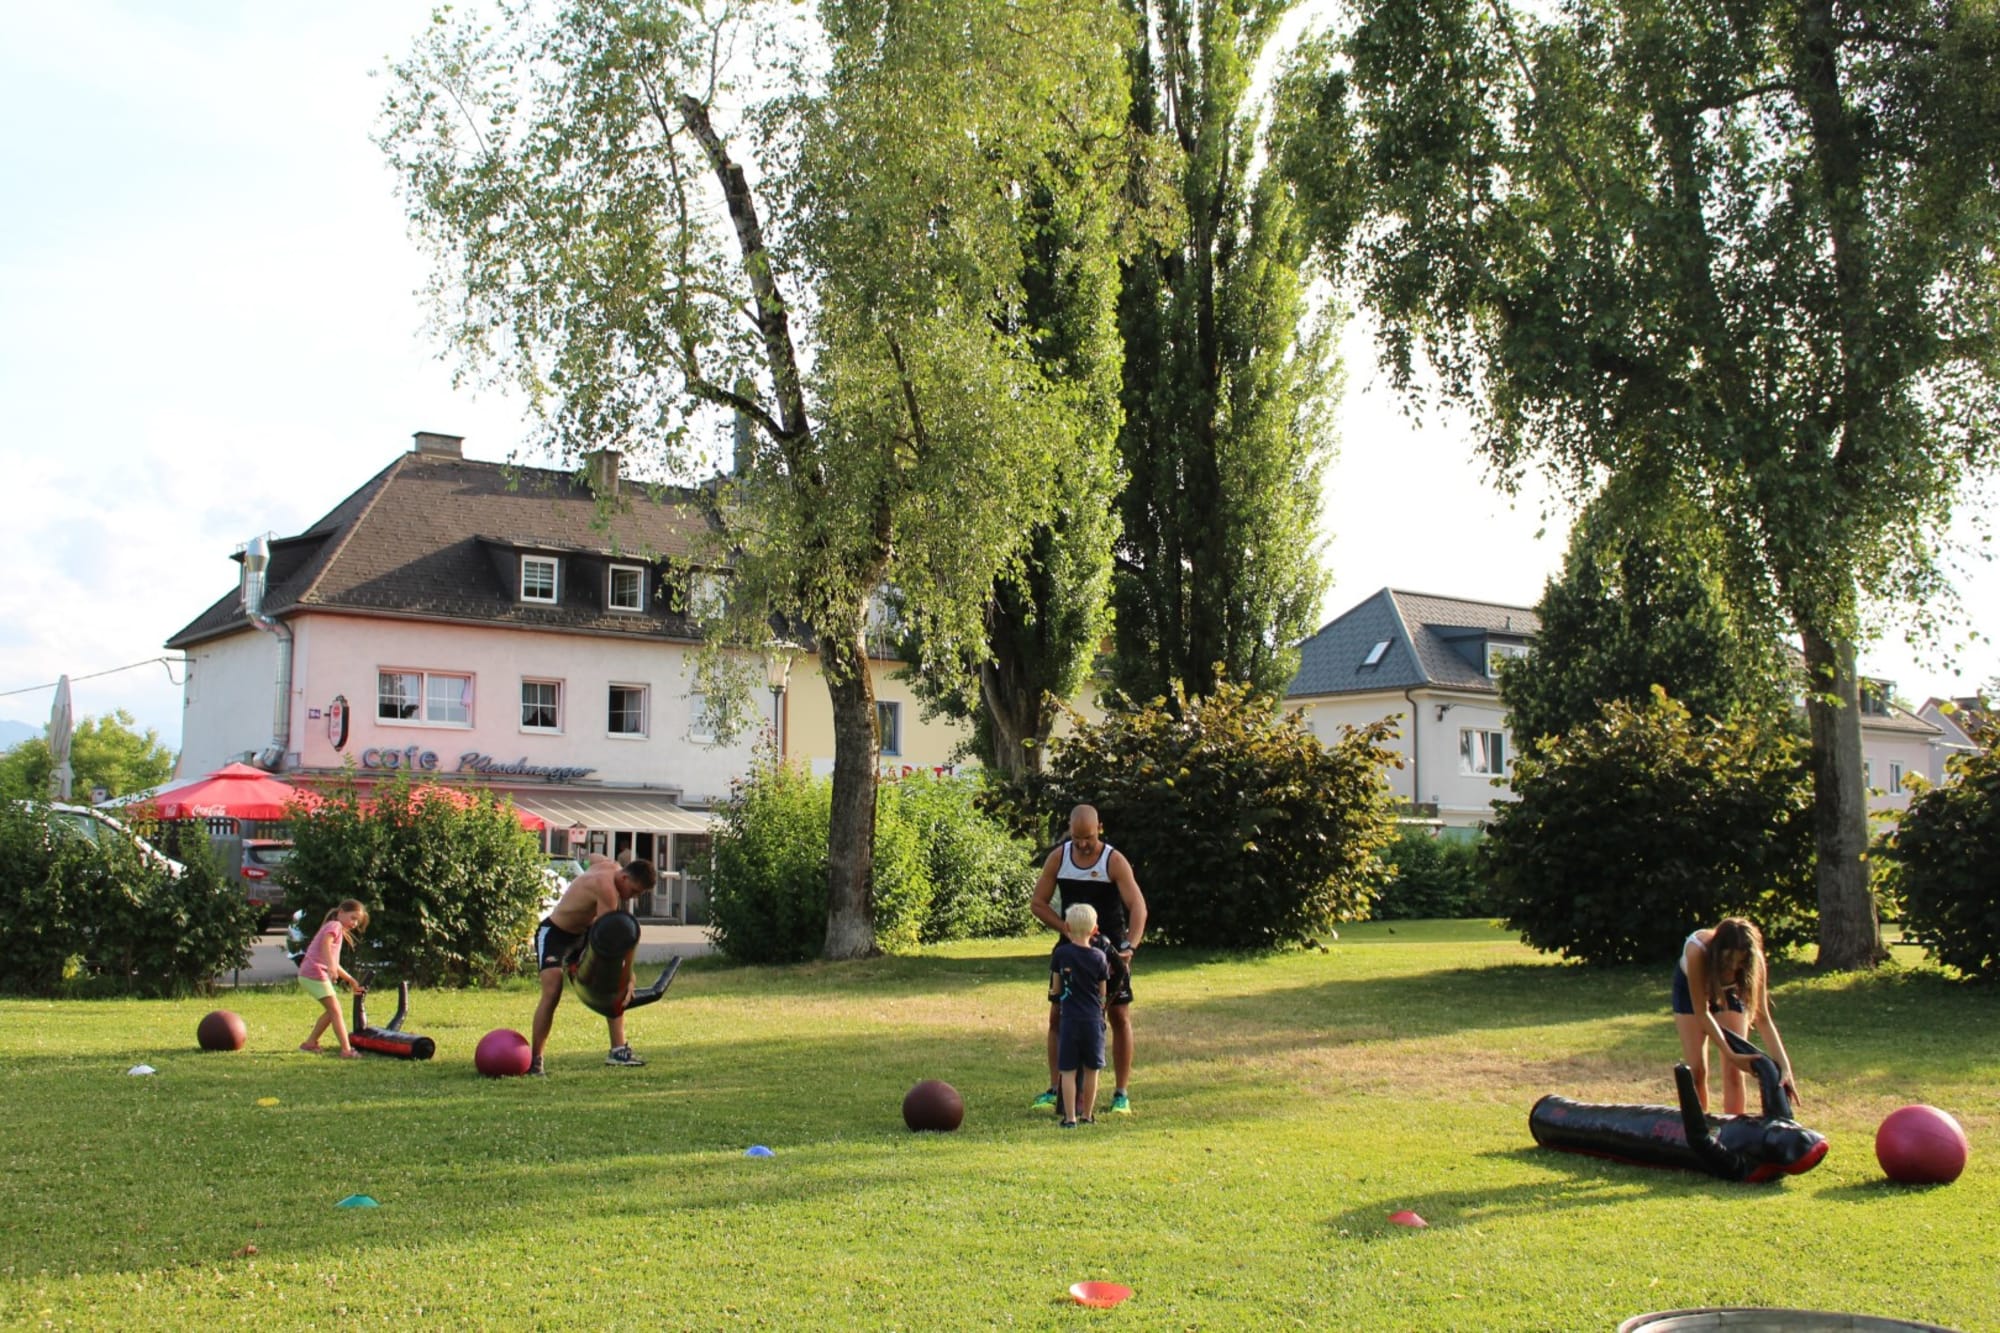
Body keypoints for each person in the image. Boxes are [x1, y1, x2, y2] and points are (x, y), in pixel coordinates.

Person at [1030, 804, 1148, 1114]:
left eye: (1089, 838)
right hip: (1070, 949)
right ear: (1070, 831)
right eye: (1077, 838)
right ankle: (1055, 1088)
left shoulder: (1113, 860)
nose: (1083, 844)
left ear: (1100, 829)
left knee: (1118, 1016)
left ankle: (1121, 1094)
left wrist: (1130, 947)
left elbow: (1138, 905)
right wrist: (1066, 929)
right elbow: (1038, 903)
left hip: (1109, 950)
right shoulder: (1059, 858)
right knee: (1058, 1016)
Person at [529, 852, 658, 1074]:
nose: (632, 898)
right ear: (625, 878)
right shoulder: (608, 891)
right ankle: (536, 1061)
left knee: (612, 982)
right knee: (552, 990)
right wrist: (630, 976)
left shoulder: (610, 865)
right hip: (555, 934)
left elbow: (593, 856)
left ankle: (618, 1051)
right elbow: (612, 945)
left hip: (582, 933)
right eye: (634, 891)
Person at [1673, 917, 1799, 1114]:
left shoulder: (1753, 961)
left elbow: (1762, 1018)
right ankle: (1699, 1129)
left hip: (1729, 994)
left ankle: (1734, 1128)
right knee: (1697, 1071)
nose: (1733, 968)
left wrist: (1785, 1067)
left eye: (1739, 962)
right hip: (1691, 994)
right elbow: (1702, 1012)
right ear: (1717, 951)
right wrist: (1730, 1054)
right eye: (1727, 960)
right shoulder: (1698, 951)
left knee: (1734, 1072)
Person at [1048, 903, 1110, 1128]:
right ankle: (1088, 1115)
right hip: (1093, 1019)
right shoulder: (1100, 957)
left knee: (1067, 1070)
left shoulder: (1061, 954)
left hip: (1070, 1019)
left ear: (1066, 927)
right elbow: (1102, 991)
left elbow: (1056, 988)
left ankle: (1070, 1117)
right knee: (1092, 1069)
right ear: (1095, 930)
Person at [298, 899, 369, 1058]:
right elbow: (325, 944)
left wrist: (351, 980)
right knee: (336, 1011)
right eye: (353, 918)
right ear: (341, 913)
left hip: (310, 974)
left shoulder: (335, 928)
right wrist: (330, 966)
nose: (354, 923)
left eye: (357, 921)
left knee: (332, 1011)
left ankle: (310, 1043)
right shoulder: (334, 926)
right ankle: (346, 1050)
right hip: (314, 973)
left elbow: (335, 963)